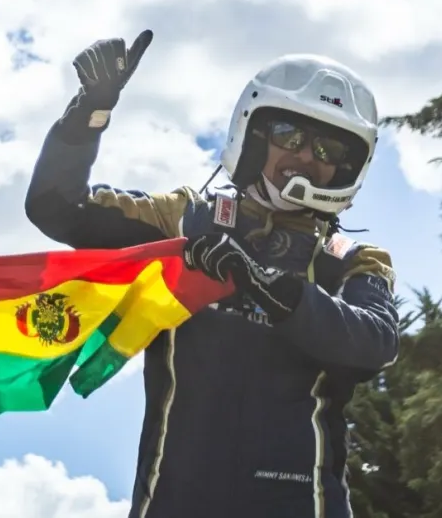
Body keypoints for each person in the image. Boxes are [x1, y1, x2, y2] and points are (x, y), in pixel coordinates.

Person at [25, 31, 399, 518]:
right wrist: (88, 113)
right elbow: (58, 207)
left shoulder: (355, 258)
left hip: (301, 505)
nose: (307, 157)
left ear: (347, 169)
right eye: (291, 137)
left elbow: (374, 345)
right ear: (254, 136)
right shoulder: (185, 218)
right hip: (173, 501)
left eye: (328, 150)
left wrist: (271, 289)